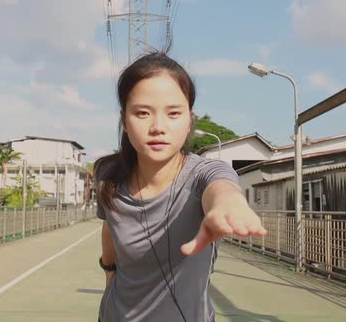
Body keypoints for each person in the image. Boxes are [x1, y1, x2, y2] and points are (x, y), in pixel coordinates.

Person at [94, 51, 267, 322]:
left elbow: (221, 188)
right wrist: (109, 271)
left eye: (173, 113)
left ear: (189, 120)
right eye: (142, 113)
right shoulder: (107, 175)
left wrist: (228, 204)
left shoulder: (203, 173)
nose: (158, 127)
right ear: (124, 120)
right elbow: (109, 224)